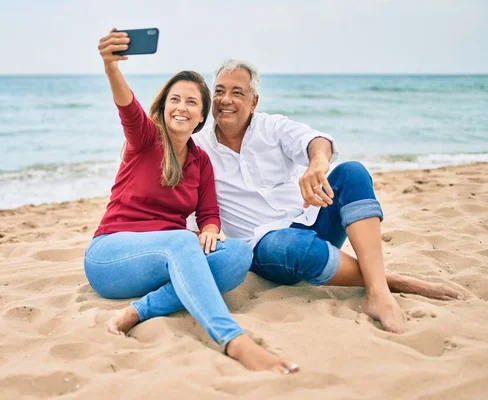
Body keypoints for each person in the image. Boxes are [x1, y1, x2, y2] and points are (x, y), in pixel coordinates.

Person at [190, 59, 462, 333]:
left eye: (237, 92)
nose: (226, 100)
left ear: (254, 101)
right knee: (290, 244)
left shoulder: (271, 127)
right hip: (264, 246)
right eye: (219, 91)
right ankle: (392, 281)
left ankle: (378, 293)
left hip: (310, 221)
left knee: (353, 172)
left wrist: (317, 162)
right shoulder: (198, 147)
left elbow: (314, 139)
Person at [83, 31, 299, 373]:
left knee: (239, 254)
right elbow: (126, 105)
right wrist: (111, 68)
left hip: (163, 260)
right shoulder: (145, 139)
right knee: (184, 239)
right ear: (164, 106)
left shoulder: (200, 162)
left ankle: (140, 310)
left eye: (192, 102)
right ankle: (235, 341)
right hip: (110, 258)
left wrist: (211, 230)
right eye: (175, 99)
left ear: (202, 117)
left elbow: (209, 214)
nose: (181, 107)